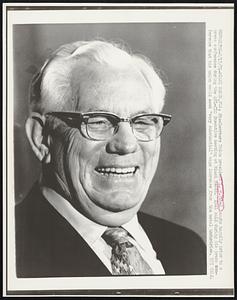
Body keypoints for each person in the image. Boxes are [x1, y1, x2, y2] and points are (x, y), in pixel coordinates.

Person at [15, 40, 206, 277]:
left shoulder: (188, 248)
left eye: (143, 121)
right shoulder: (13, 253)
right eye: (99, 121)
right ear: (42, 138)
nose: (126, 144)